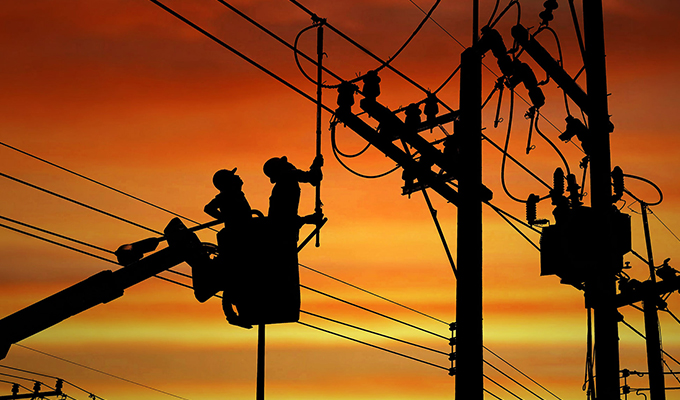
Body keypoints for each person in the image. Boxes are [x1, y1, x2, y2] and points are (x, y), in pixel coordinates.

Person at [201, 168, 253, 329]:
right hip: (235, 241)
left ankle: (241, 313)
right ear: (228, 182)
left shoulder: (237, 195)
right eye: (234, 176)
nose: (238, 177)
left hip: (242, 238)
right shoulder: (226, 196)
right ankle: (233, 315)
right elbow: (208, 208)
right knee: (234, 279)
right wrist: (224, 218)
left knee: (240, 279)